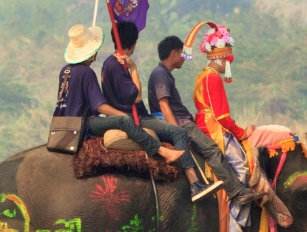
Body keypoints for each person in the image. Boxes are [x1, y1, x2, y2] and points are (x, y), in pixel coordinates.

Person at [101, 20, 221, 201]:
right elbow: (136, 97)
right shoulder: (118, 66)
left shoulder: (108, 64)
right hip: (136, 117)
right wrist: (133, 68)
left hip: (137, 114)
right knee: (180, 133)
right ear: (133, 42)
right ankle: (195, 184)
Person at [56, 23, 185, 165]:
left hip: (65, 123)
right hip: (85, 123)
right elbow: (100, 107)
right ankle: (162, 151)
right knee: (124, 121)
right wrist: (122, 116)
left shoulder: (65, 71)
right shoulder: (86, 72)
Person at [148, 35, 252, 203]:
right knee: (212, 150)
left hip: (184, 121)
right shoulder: (161, 74)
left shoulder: (164, 73)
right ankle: (237, 192)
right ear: (174, 53)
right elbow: (164, 105)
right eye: (182, 53)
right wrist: (177, 131)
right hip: (182, 124)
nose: (183, 58)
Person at [191, 24, 269, 198]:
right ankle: (237, 202)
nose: (228, 64)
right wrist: (242, 132)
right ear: (220, 57)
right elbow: (223, 117)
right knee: (242, 165)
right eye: (227, 60)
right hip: (213, 128)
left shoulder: (201, 76)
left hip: (201, 124)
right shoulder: (214, 79)